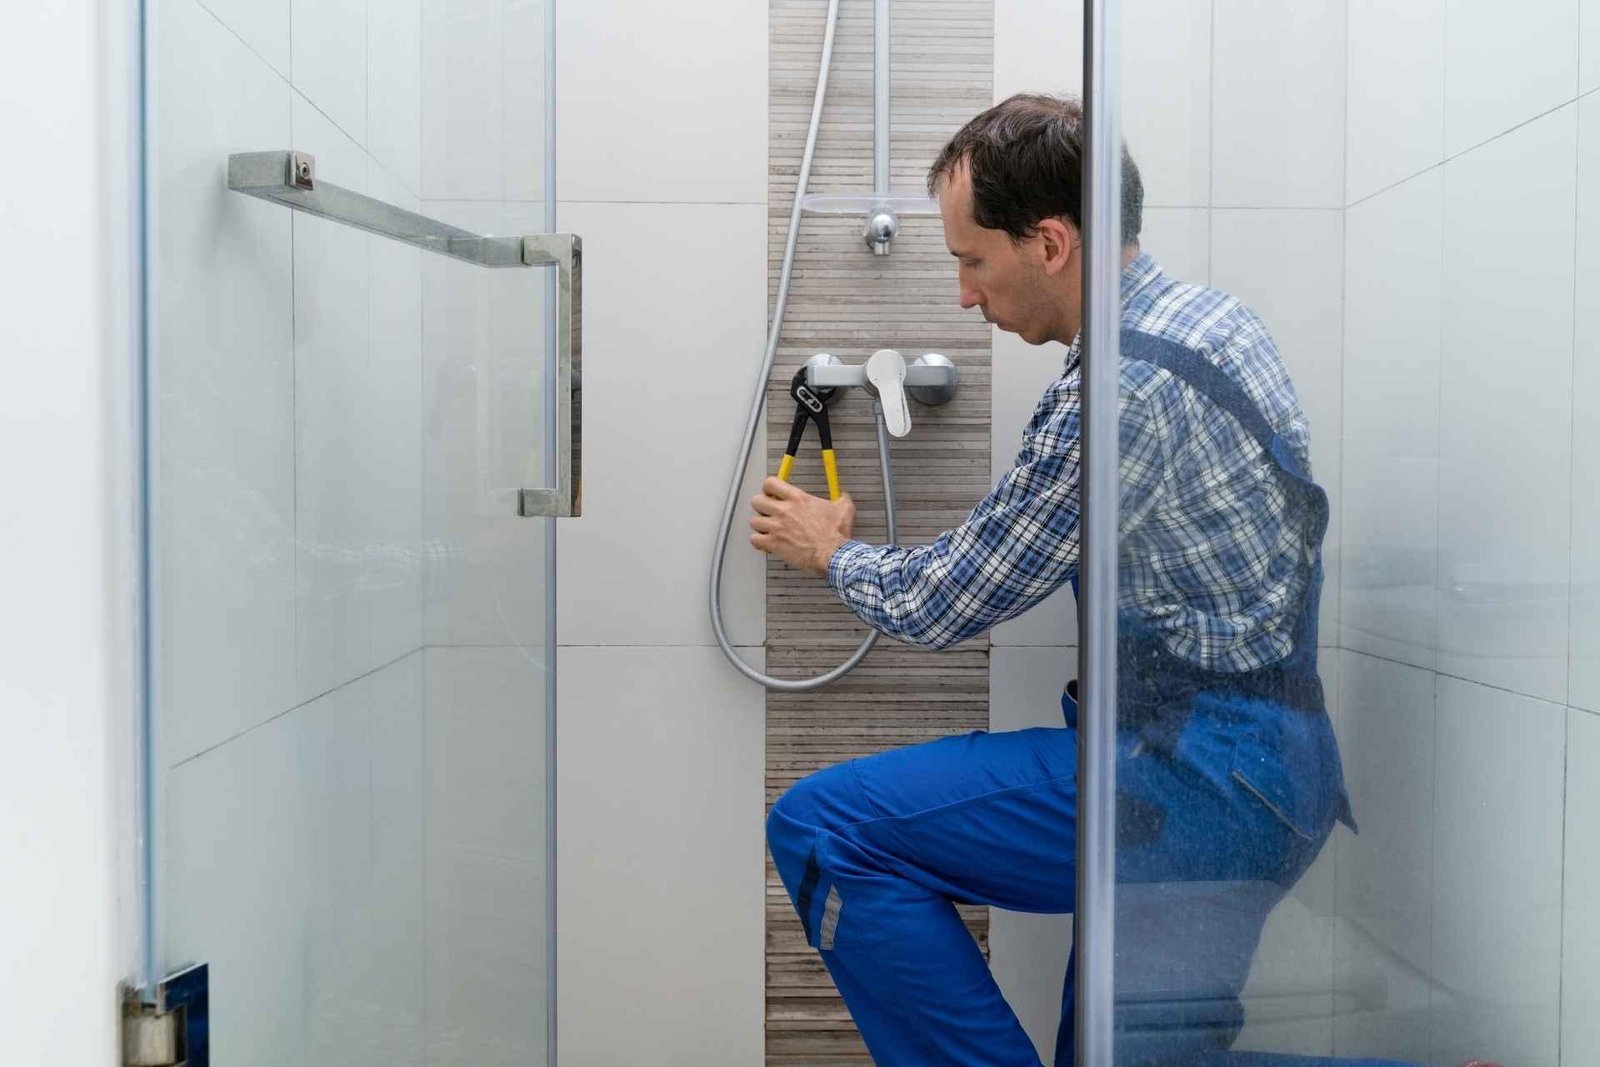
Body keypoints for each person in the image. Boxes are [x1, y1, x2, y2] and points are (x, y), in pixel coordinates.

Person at [752, 94, 1424, 1067]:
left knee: (828, 823)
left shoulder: (1119, 389)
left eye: (970, 260)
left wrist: (829, 550)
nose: (962, 296)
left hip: (1191, 783)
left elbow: (950, 600)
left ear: (1052, 242)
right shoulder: (1210, 319)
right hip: (1274, 769)